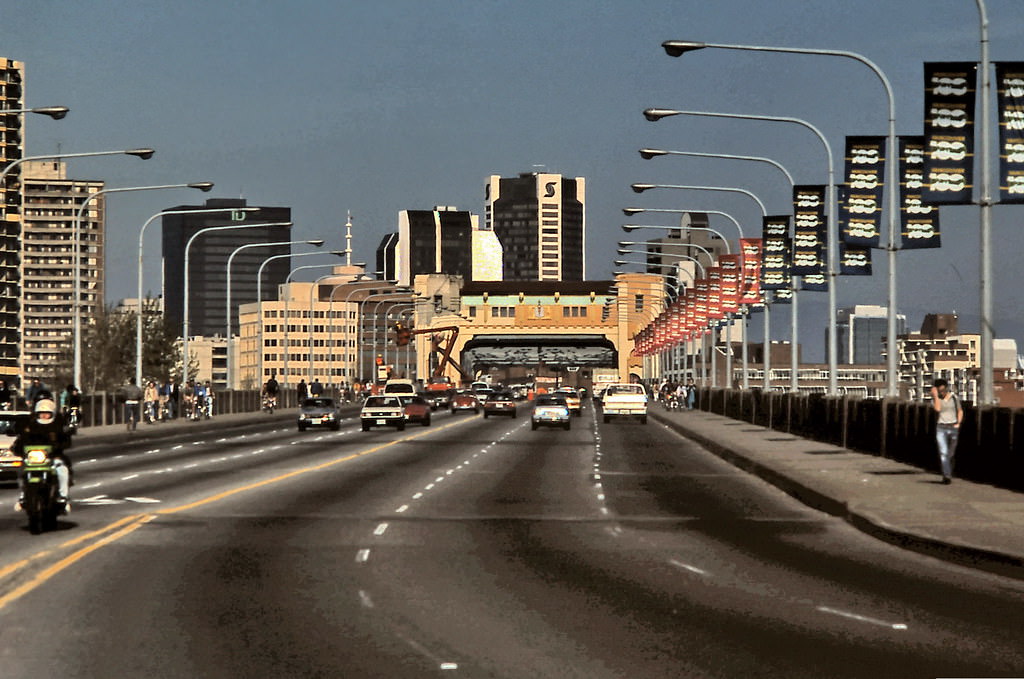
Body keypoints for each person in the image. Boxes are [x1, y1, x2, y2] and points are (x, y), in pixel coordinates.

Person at [13, 398, 73, 511]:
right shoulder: (31, 426)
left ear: (52, 414)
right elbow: (21, 441)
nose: (44, 416)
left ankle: (63, 497)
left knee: (62, 470)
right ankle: (22, 496)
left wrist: (59, 446)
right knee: (22, 471)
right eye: (41, 414)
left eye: (47, 413)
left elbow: (65, 440)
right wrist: (17, 448)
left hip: (53, 458)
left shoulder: (57, 427)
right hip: (33, 460)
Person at [931, 378, 963, 485]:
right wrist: (935, 396)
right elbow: (937, 409)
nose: (942, 392)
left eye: (944, 390)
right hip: (941, 427)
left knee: (950, 453)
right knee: (943, 453)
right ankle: (947, 475)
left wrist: (958, 422)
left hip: (953, 427)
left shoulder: (954, 398)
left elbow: (960, 411)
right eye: (940, 391)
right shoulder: (936, 399)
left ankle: (948, 471)